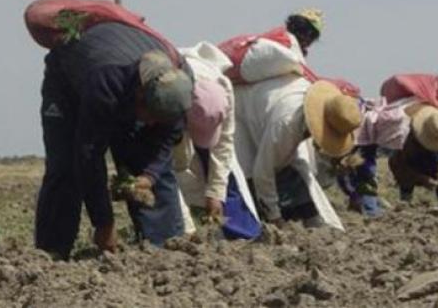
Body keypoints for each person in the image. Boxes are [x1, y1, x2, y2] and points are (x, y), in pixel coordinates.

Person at [34, 21, 193, 259]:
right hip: (69, 82)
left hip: (123, 85)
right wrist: (104, 223)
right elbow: (89, 154)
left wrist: (148, 176)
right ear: (140, 93)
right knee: (66, 165)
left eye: (158, 119)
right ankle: (52, 252)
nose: (150, 123)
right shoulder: (106, 81)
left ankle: (164, 252)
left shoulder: (180, 85)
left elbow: (166, 139)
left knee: (148, 162)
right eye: (150, 114)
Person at [233, 77, 361, 229]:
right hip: (240, 117)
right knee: (250, 181)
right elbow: (263, 172)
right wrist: (275, 217)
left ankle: (307, 216)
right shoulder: (285, 126)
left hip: (264, 114)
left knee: (297, 172)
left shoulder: (306, 107)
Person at [173, 42, 262, 240]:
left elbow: (224, 145)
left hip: (201, 119)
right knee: (180, 174)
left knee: (225, 179)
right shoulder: (172, 97)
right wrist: (188, 230)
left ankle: (241, 235)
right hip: (178, 121)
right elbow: (172, 172)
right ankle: (184, 228)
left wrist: (215, 193)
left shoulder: (224, 87)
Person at [388, 104, 438, 202]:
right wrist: (423, 179)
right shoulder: (407, 135)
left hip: (436, 161)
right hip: (411, 162)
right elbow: (399, 165)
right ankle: (405, 203)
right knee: (406, 185)